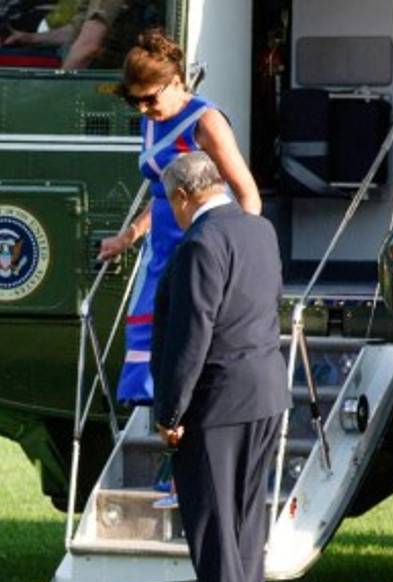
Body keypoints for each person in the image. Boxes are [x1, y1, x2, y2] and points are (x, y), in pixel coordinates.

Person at [150, 151, 288, 582]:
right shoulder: (260, 230)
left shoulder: (200, 244)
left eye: (172, 203)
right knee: (248, 515)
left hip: (218, 396)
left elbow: (192, 336)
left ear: (185, 196)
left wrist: (170, 412)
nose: (174, 212)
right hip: (266, 389)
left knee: (212, 516)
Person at [97, 28, 261, 406]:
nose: (142, 108)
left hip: (200, 246)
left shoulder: (206, 121)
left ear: (175, 82)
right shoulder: (150, 119)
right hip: (160, 249)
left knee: (186, 336)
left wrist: (243, 255)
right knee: (145, 333)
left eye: (149, 99)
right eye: (132, 101)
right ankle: (156, 420)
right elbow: (162, 193)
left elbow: (248, 195)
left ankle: (178, 414)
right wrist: (128, 236)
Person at [2, 0, 125, 70]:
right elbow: (75, 32)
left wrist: (60, 86)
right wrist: (30, 38)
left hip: (98, 75)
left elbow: (88, 47)